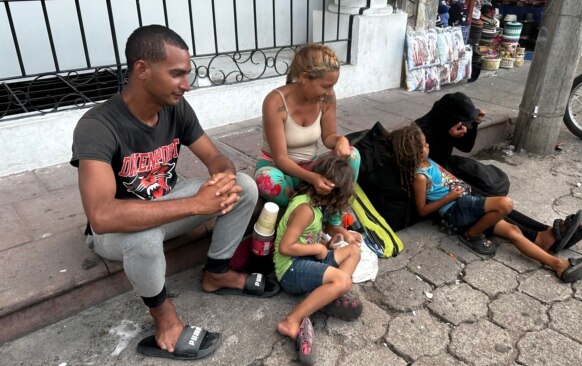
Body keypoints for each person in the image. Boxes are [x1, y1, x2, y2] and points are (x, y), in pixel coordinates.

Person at [71, 25, 279, 361]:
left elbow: (214, 156)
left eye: (188, 74)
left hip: (170, 201)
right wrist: (195, 204)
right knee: (145, 237)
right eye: (177, 74)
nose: (188, 84)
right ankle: (164, 318)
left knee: (244, 186)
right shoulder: (98, 126)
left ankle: (218, 272)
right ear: (142, 69)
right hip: (116, 231)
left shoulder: (175, 108)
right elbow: (102, 215)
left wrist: (222, 178)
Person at [390, 124, 582, 283]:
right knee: (504, 205)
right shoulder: (419, 177)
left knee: (513, 231)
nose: (428, 146)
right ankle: (471, 235)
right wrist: (449, 198)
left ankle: (558, 264)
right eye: (424, 145)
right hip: (456, 209)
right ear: (414, 152)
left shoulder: (427, 162)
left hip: (464, 202)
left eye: (426, 143)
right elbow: (422, 210)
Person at [415, 92, 582, 254]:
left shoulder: (444, 124)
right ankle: (540, 237)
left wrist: (473, 125)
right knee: (483, 200)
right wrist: (447, 136)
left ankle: (546, 230)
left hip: (447, 174)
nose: (463, 126)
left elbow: (465, 147)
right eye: (462, 122)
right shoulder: (422, 133)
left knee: (491, 191)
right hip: (442, 183)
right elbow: (428, 166)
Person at [254, 43, 360, 229]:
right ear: (304, 78)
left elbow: (328, 137)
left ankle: (334, 221)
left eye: (332, 86)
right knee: (266, 180)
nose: (329, 92)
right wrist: (312, 178)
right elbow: (280, 158)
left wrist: (340, 141)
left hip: (311, 164)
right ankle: (306, 217)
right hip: (279, 167)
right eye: (326, 86)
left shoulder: (327, 98)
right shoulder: (275, 102)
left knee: (353, 155)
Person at [273, 155, 363, 365]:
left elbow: (308, 239)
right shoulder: (304, 209)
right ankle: (291, 321)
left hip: (306, 260)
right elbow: (285, 247)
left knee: (353, 252)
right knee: (342, 280)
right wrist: (317, 248)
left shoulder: (315, 204)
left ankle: (326, 296)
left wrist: (326, 246)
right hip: (290, 269)